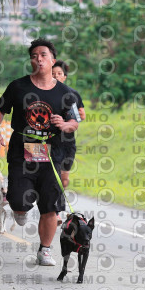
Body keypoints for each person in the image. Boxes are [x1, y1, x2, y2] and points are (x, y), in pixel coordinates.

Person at [0, 39, 80, 266]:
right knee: (18, 200)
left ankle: (44, 250)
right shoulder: (18, 87)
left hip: (51, 153)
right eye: (34, 56)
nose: (38, 59)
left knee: (51, 206)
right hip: (22, 152)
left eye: (43, 55)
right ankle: (19, 209)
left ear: (52, 60)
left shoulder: (66, 93)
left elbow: (74, 122)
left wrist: (64, 124)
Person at [51, 60, 86, 223]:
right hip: (52, 142)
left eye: (59, 74)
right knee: (56, 178)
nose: (56, 76)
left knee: (64, 180)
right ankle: (57, 211)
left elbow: (81, 115)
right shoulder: (45, 93)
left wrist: (68, 119)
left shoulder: (72, 94)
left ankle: (55, 205)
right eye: (53, 74)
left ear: (64, 76)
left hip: (68, 143)